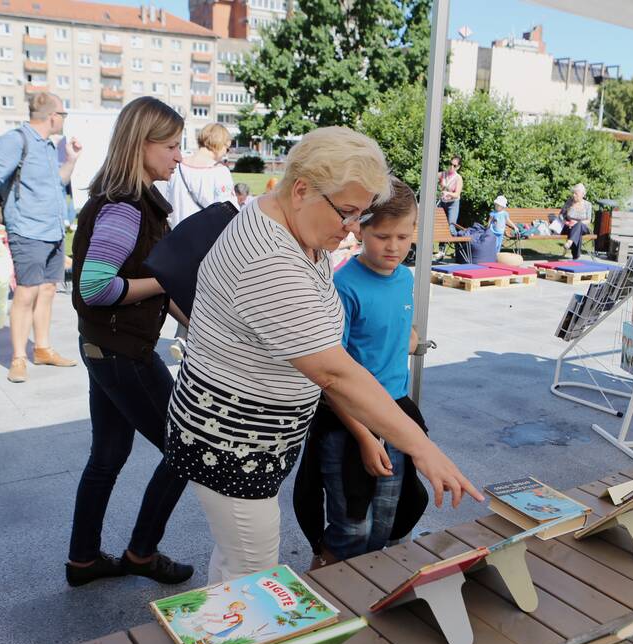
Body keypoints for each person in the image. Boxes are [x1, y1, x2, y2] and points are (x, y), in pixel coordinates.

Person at [164, 127, 482, 583]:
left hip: (248, 439)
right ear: (301, 190)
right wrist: (422, 447)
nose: (354, 228)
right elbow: (334, 374)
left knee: (236, 560)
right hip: (231, 445)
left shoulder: (290, 224)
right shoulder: (269, 260)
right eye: (348, 213)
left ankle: (226, 642)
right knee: (251, 573)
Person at [65, 97, 194, 587]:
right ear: (141, 144)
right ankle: (142, 552)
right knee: (187, 449)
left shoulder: (128, 201)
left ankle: (83, 559)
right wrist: (165, 286)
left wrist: (197, 322)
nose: (178, 157)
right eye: (171, 146)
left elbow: (147, 280)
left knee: (108, 456)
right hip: (124, 353)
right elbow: (96, 289)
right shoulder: (124, 209)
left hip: (105, 349)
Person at [309, 177, 423, 563]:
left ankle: (367, 591)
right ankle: (327, 581)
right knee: (352, 524)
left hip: (394, 412)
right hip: (349, 422)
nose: (394, 247)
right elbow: (330, 376)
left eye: (404, 237)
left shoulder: (405, 278)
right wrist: (363, 437)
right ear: (360, 228)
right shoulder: (342, 286)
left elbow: (397, 326)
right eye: (383, 236)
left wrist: (408, 334)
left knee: (386, 522)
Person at [0, 92, 81, 383]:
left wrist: (71, 160)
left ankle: (42, 348)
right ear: (53, 116)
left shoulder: (47, 145)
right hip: (28, 231)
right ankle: (19, 356)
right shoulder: (15, 140)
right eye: (63, 114)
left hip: (53, 231)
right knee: (26, 293)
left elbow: (57, 183)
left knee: (46, 291)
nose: (64, 119)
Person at [161, 123, 238, 228]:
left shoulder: (176, 166)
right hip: (203, 239)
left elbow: (166, 202)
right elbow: (228, 213)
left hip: (174, 236)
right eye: (227, 148)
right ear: (220, 143)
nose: (226, 153)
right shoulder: (220, 172)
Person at [561, 183, 594, 260]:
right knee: (577, 232)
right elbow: (561, 215)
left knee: (578, 225)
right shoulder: (569, 202)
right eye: (573, 193)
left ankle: (569, 242)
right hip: (569, 226)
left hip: (583, 227)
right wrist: (566, 222)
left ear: (583, 194)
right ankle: (576, 257)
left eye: (576, 194)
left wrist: (576, 223)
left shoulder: (588, 205)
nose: (574, 195)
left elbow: (588, 220)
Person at [438, 156, 463, 230]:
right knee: (440, 226)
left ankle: (457, 240)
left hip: (453, 204)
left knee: (451, 228)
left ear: (458, 167)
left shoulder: (458, 178)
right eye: (450, 164)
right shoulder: (442, 174)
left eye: (454, 166)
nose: (451, 167)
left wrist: (448, 193)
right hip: (442, 203)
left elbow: (457, 194)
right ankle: (442, 242)